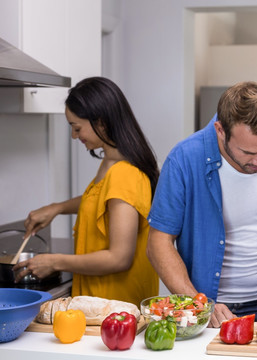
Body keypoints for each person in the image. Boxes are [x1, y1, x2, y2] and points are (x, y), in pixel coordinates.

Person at [146, 81, 257, 327]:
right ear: (220, 130)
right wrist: (198, 304)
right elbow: (158, 244)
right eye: (248, 152)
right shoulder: (184, 159)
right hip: (221, 312)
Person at [14, 77, 160, 306]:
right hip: (103, 304)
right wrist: (57, 208)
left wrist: (55, 262)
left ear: (100, 122)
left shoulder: (125, 173)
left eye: (76, 127)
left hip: (117, 309)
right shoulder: (111, 163)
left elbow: (119, 258)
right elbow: (102, 199)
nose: (74, 136)